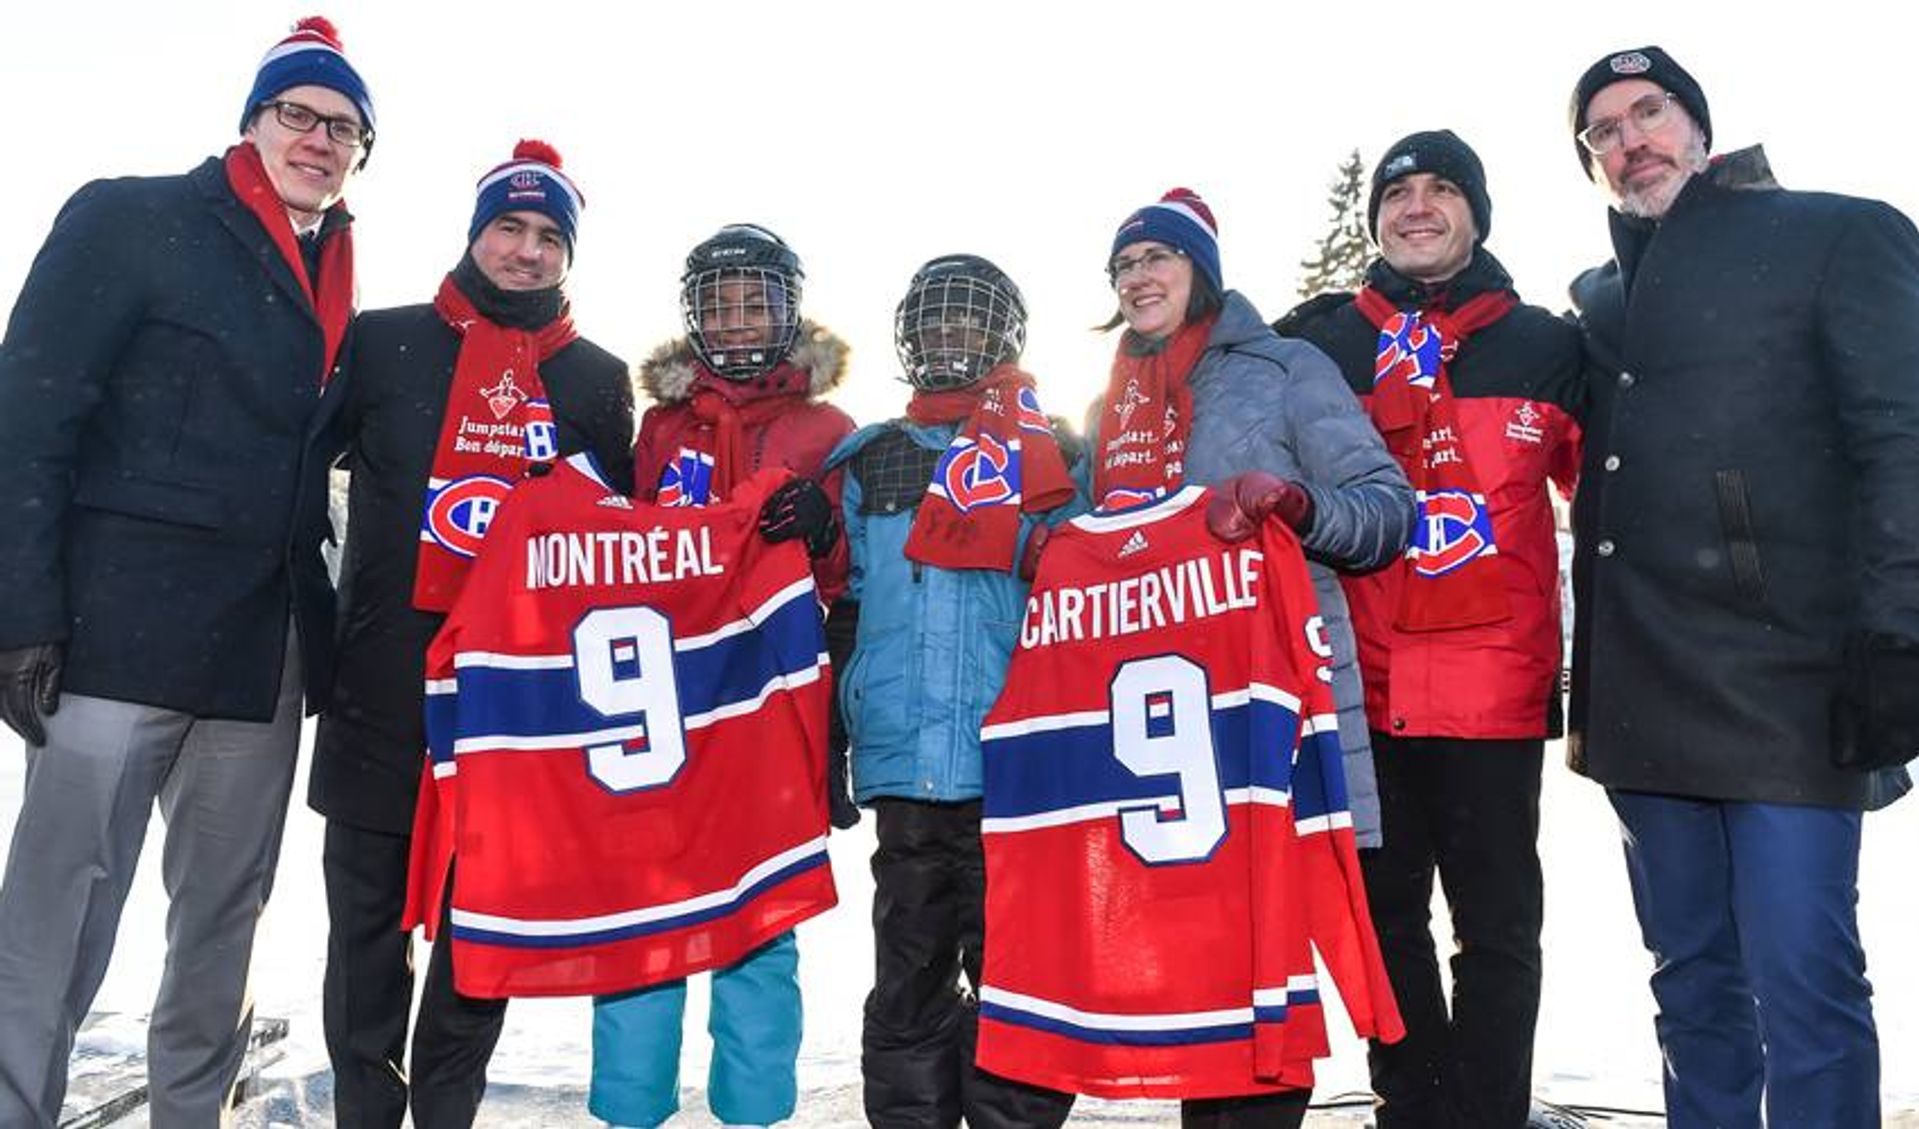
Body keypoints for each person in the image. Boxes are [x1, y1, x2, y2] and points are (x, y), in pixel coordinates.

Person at [0, 17, 374, 1127]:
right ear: (251, 119)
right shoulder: (132, 216)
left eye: (343, 127)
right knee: (56, 915)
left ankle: (189, 1115)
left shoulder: (338, 271)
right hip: (115, 635)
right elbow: (29, 418)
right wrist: (21, 610)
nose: (317, 138)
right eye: (297, 114)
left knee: (223, 919)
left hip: (264, 657)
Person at [1566, 46, 1919, 1129]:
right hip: (1639, 691)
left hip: (1787, 683)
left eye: (1648, 112)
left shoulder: (1834, 232)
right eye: (1602, 135)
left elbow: (1899, 435)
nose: (1630, 142)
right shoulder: (1598, 297)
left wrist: (1898, 633)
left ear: (1699, 126)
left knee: (1803, 985)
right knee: (1689, 987)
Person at [310, 140, 634, 1129]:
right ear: (475, 228)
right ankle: (367, 1110)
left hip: (515, 707)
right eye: (509, 226)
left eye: (549, 237)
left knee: (477, 935)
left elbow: (619, 552)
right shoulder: (382, 342)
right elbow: (291, 490)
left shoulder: (593, 379)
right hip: (379, 683)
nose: (527, 251)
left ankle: (447, 1111)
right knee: (364, 933)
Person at [1083, 188, 1414, 1127]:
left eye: (1158, 258)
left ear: (1201, 273)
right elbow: (1091, 542)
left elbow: (1387, 508)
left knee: (1268, 955)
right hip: (1163, 725)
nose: (1139, 278)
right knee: (1196, 966)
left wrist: (1301, 509)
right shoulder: (1111, 400)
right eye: (1124, 265)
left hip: (1271, 703)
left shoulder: (1283, 369)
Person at [1273, 131, 1582, 1129]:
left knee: (1496, 930)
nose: (1415, 206)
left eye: (1440, 189)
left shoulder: (1545, 342)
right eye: (1395, 192)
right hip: (1359, 687)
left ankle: (1487, 1111)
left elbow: (1620, 499)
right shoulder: (1320, 345)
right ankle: (1412, 1107)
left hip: (1495, 687)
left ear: (1475, 213)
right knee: (1382, 921)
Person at [593, 222, 854, 1129]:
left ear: (789, 309)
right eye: (720, 303)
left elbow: (853, 578)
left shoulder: (828, 429)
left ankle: (754, 1113)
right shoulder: (662, 427)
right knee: (643, 919)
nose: (738, 320)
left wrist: (823, 535)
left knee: (759, 922)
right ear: (692, 316)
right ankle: (631, 1112)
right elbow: (616, 554)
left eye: (756, 301)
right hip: (662, 703)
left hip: (766, 706)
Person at [825, 254, 1083, 1128]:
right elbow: (848, 601)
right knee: (909, 972)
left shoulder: (1055, 454)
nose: (947, 341)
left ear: (1001, 336)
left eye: (965, 325)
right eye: (931, 325)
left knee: (1019, 976)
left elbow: (1093, 593)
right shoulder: (874, 458)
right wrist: (834, 731)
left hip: (1017, 759)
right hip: (904, 759)